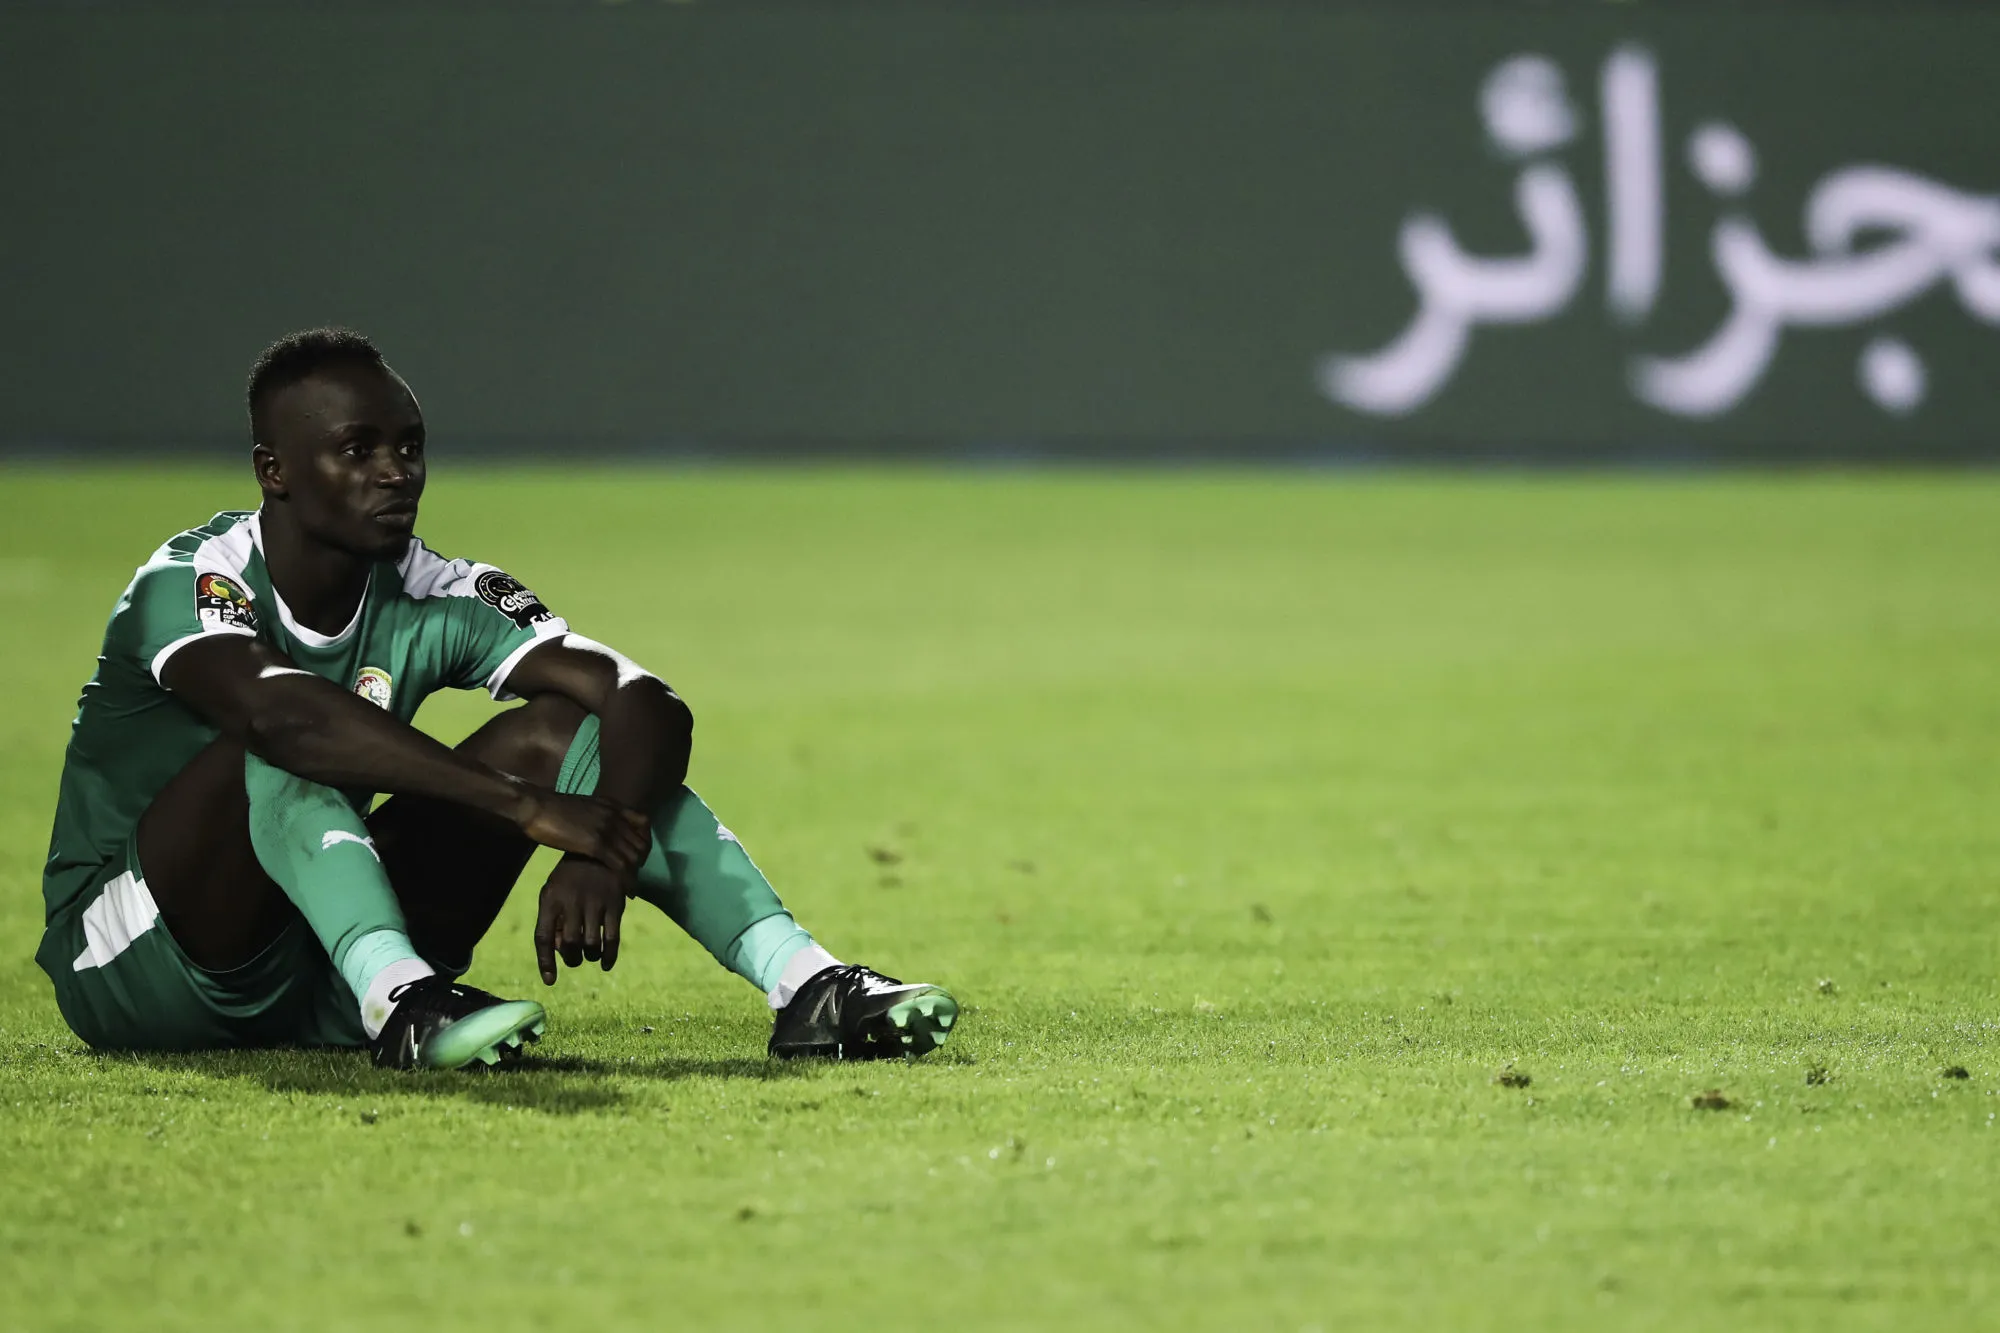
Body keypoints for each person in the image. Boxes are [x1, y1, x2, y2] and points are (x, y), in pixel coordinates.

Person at [35, 328, 957, 1070]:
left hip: (314, 962)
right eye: (357, 450)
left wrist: (607, 839)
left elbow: (641, 697)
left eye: (409, 445)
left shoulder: (439, 586)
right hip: (141, 962)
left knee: (561, 734)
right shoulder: (193, 579)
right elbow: (284, 719)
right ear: (273, 471)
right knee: (288, 734)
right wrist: (526, 810)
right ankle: (404, 999)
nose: (396, 471)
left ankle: (808, 985)